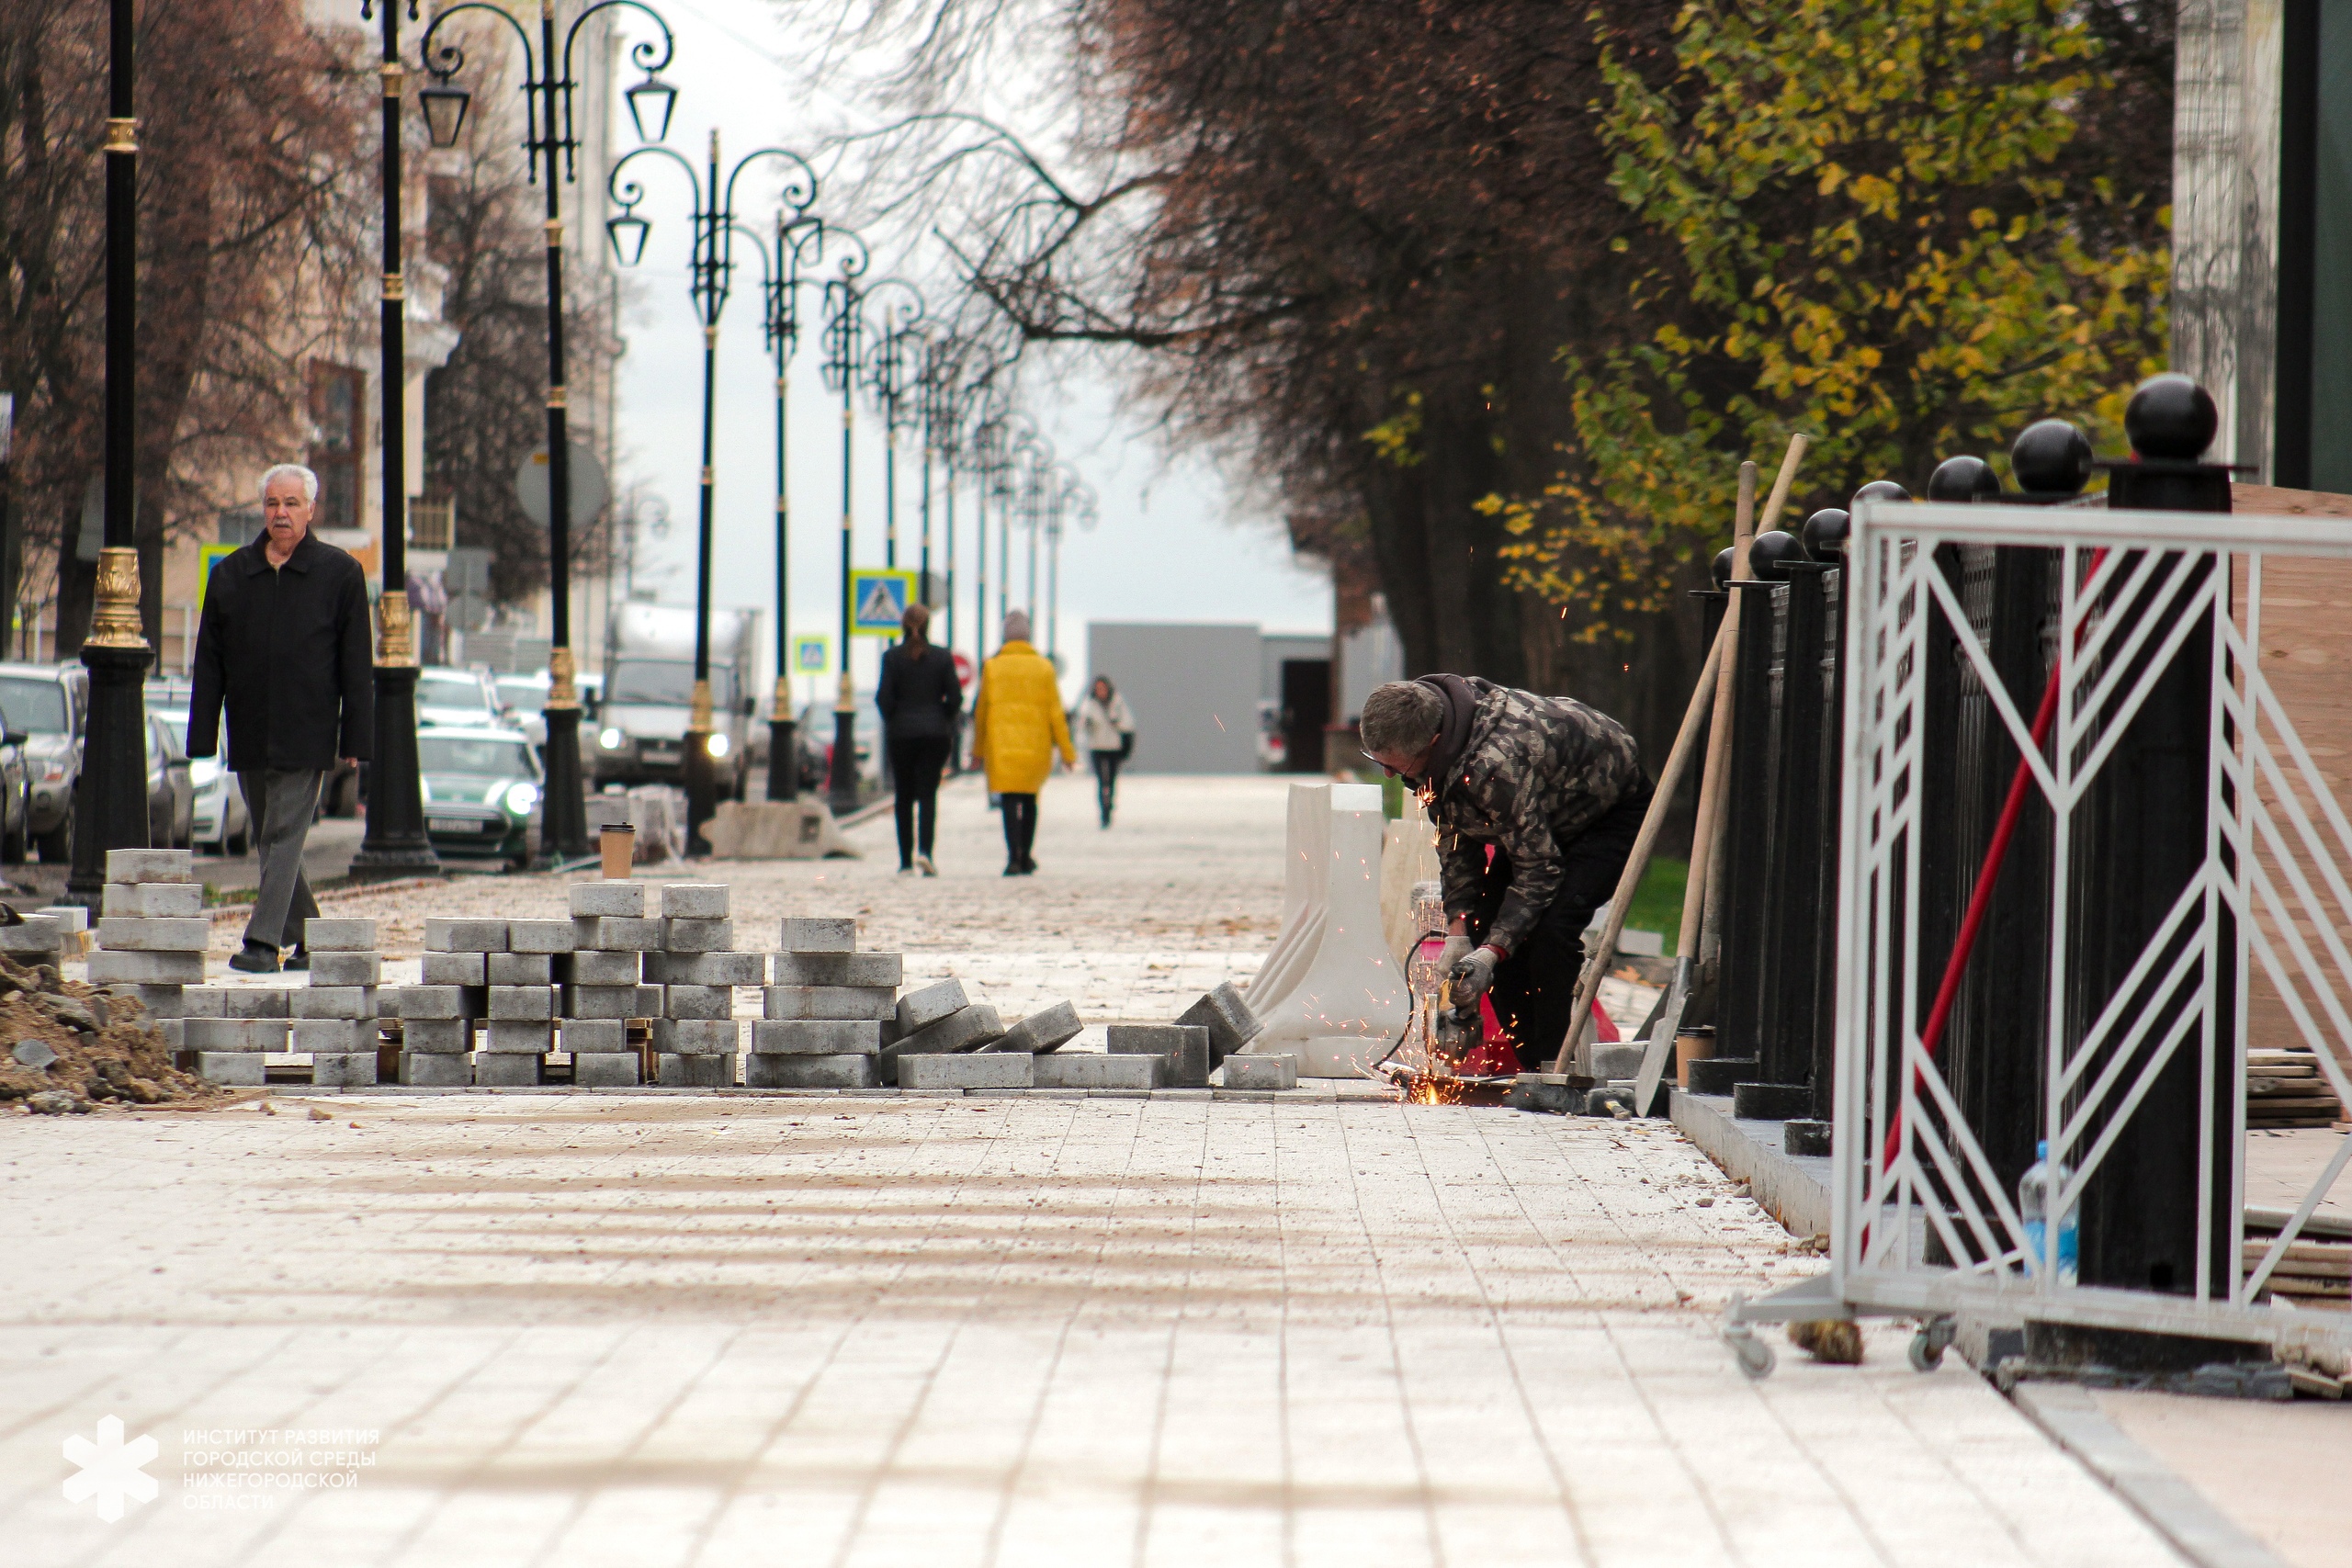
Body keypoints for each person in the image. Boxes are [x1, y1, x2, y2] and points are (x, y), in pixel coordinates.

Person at [1358, 675, 1651, 1071]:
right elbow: (1457, 843)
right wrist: (1460, 931)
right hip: (1541, 813)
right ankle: (1528, 1064)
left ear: (1431, 743)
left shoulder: (1494, 765)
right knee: (1485, 922)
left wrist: (1492, 953)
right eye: (1379, 763)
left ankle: (1552, 1069)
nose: (1391, 776)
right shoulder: (1440, 741)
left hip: (1605, 814)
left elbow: (1539, 868)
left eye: (1395, 765)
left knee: (1550, 935)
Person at [187, 464, 373, 973]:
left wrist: (357, 735)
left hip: (307, 729)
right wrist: (202, 733)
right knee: (271, 836)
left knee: (281, 835)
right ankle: (312, 937)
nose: (281, 513)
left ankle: (264, 943)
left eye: (292, 504)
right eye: (273, 503)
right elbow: (210, 658)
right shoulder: (231, 574)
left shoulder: (339, 574)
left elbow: (356, 664)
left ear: (311, 511)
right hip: (248, 728)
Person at [968, 610, 1074, 875]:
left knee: (1008, 801)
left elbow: (981, 713)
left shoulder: (992, 667)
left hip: (1001, 745)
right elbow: (1056, 713)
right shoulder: (1044, 667)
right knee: (1029, 800)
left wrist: (977, 751)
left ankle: (1012, 856)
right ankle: (1027, 854)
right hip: (1035, 747)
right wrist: (1068, 752)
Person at [875, 602, 961, 876]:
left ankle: (905, 861)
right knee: (927, 794)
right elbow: (955, 697)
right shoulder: (942, 657)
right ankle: (926, 852)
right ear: (928, 626)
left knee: (903, 795)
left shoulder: (892, 658)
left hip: (902, 734)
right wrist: (942, 718)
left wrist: (895, 719)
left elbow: (883, 698)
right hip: (935, 734)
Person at [1072, 674, 1136, 828]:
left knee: (1111, 780)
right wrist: (1088, 725)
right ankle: (1104, 810)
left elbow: (1128, 723)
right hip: (1097, 747)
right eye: (1098, 688)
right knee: (1102, 780)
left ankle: (1110, 803)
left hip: (1113, 747)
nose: (1101, 691)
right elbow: (1081, 724)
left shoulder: (1117, 702)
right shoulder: (1090, 704)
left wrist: (1117, 723)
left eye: (1103, 688)